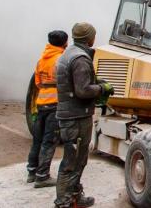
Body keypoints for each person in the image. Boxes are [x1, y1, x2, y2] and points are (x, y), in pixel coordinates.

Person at [53, 22, 115, 208]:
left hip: (71, 115)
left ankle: (73, 196)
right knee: (72, 161)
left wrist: (95, 81)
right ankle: (64, 202)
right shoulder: (80, 58)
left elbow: (77, 83)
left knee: (78, 159)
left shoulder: (69, 53)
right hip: (76, 117)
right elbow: (82, 90)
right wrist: (102, 88)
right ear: (90, 38)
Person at [26, 30, 67, 188]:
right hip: (55, 104)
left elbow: (37, 83)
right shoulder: (61, 59)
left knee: (38, 139)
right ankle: (42, 176)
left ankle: (31, 171)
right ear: (64, 43)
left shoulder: (41, 60)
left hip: (40, 103)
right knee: (49, 141)